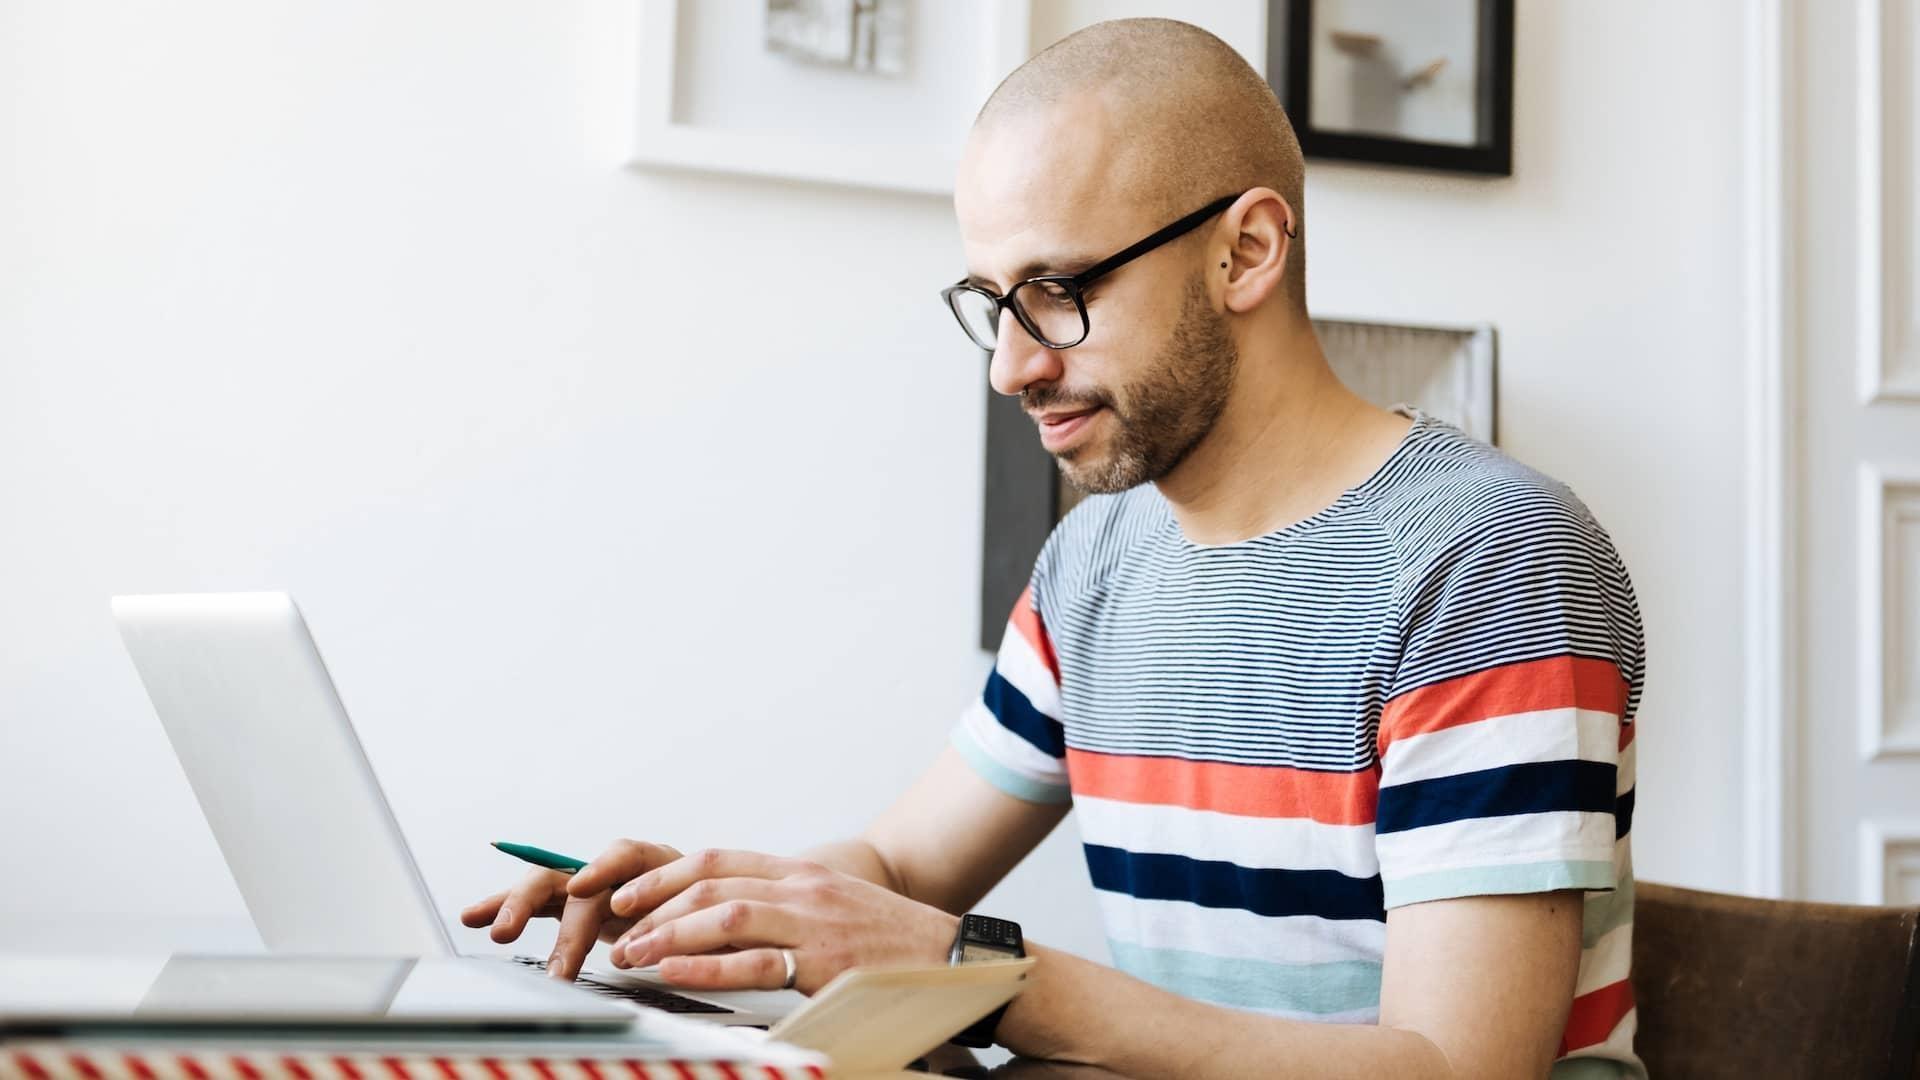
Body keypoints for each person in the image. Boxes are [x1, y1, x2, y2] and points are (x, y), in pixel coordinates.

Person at [462, 17, 1644, 1079]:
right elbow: (905, 867)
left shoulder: (1489, 561)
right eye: (992, 302)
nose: (1011, 365)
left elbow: (1459, 1068)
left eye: (1058, 290)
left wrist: (990, 974)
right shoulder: (1099, 563)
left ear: (1246, 251)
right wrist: (712, 912)